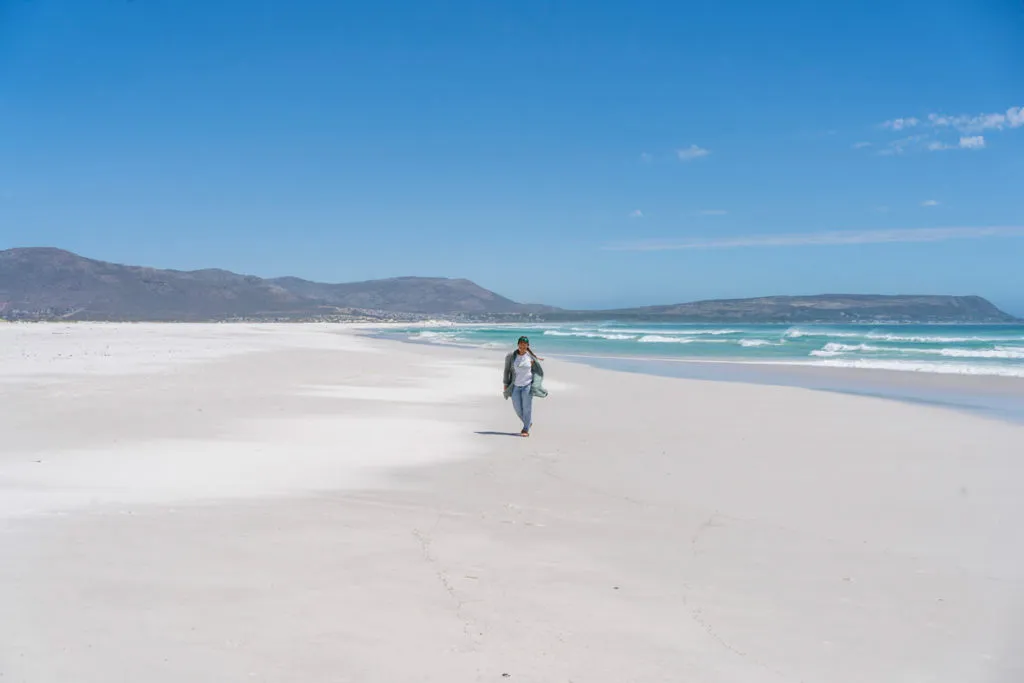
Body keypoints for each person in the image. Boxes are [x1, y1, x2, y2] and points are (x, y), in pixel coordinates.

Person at [502, 335, 548, 437]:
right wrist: (505, 384)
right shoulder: (511, 356)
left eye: (525, 345)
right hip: (515, 386)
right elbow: (507, 371)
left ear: (527, 346)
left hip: (527, 386)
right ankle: (528, 422)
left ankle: (525, 429)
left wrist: (535, 384)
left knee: (527, 408)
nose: (522, 347)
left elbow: (537, 371)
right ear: (518, 345)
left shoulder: (530, 357)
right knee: (517, 408)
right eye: (521, 345)